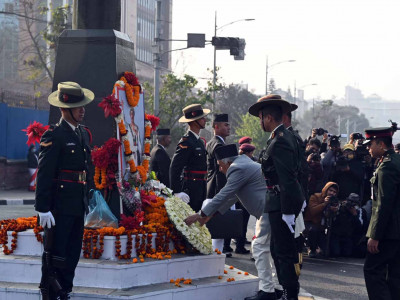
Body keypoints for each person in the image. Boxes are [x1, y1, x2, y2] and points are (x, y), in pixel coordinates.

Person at [184, 144, 282, 300]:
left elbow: (225, 194)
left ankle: (267, 291)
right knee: (268, 249)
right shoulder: (243, 163)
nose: (221, 170)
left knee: (259, 248)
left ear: (226, 162)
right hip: (269, 210)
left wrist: (199, 214)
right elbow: (233, 197)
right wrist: (209, 215)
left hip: (267, 211)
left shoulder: (237, 168)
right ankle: (273, 287)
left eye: (220, 166)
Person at [35, 82, 94, 299]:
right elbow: (44, 173)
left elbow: (86, 169)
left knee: (72, 254)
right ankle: (50, 293)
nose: (82, 109)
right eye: (77, 106)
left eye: (83, 105)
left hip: (77, 205)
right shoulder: (55, 135)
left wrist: (91, 194)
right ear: (63, 109)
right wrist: (42, 208)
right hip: (59, 207)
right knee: (55, 254)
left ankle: (65, 291)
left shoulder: (82, 134)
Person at [248, 94, 305, 300]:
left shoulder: (280, 140)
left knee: (284, 254)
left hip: (281, 204)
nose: (260, 122)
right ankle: (288, 294)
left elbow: (287, 179)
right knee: (279, 251)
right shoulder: (282, 137)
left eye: (260, 118)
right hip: (279, 202)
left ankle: (290, 296)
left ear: (268, 118)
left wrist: (289, 211)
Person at [363, 127, 400, 300]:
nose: (368, 148)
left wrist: (375, 235)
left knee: (372, 270)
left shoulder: (387, 167)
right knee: (394, 276)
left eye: (371, 144)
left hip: (388, 231)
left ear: (381, 143)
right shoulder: (396, 161)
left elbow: (383, 205)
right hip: (396, 231)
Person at [169, 104, 210, 212]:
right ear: (194, 121)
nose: (205, 120)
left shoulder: (199, 141)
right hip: (190, 189)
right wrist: (177, 191)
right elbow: (175, 167)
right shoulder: (186, 141)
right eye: (202, 118)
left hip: (200, 187)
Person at [304, 182, 339, 258]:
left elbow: (331, 217)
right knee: (313, 230)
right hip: (310, 223)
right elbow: (313, 211)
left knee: (328, 252)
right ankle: (311, 248)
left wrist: (334, 211)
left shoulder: (333, 201)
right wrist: (324, 204)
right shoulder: (315, 197)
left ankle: (319, 248)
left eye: (334, 192)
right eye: (330, 190)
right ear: (326, 190)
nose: (332, 193)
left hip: (322, 227)